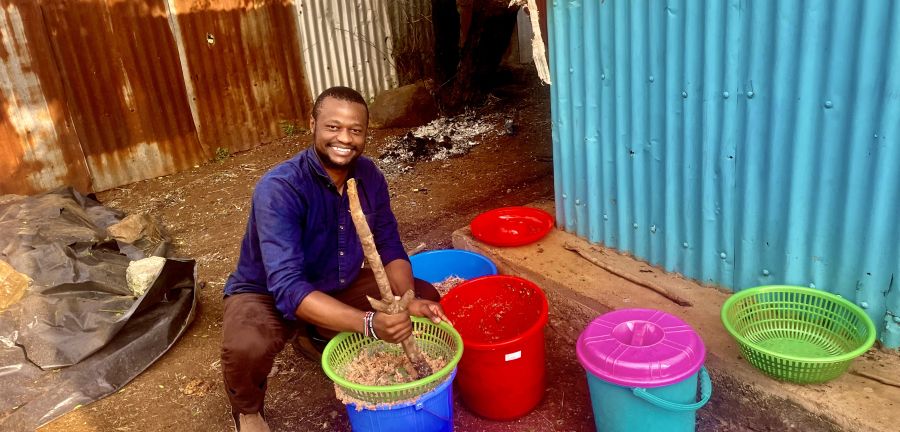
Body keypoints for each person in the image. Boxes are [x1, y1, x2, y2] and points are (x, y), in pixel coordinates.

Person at [220, 86, 450, 432]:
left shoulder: (369, 176)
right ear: (312, 124)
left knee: (425, 295)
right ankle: (248, 410)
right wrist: (370, 323)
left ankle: (313, 334)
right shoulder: (280, 187)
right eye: (333, 127)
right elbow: (287, 286)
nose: (344, 138)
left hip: (334, 282)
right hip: (266, 291)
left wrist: (406, 301)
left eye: (355, 130)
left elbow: (389, 246)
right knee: (246, 345)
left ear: (365, 134)